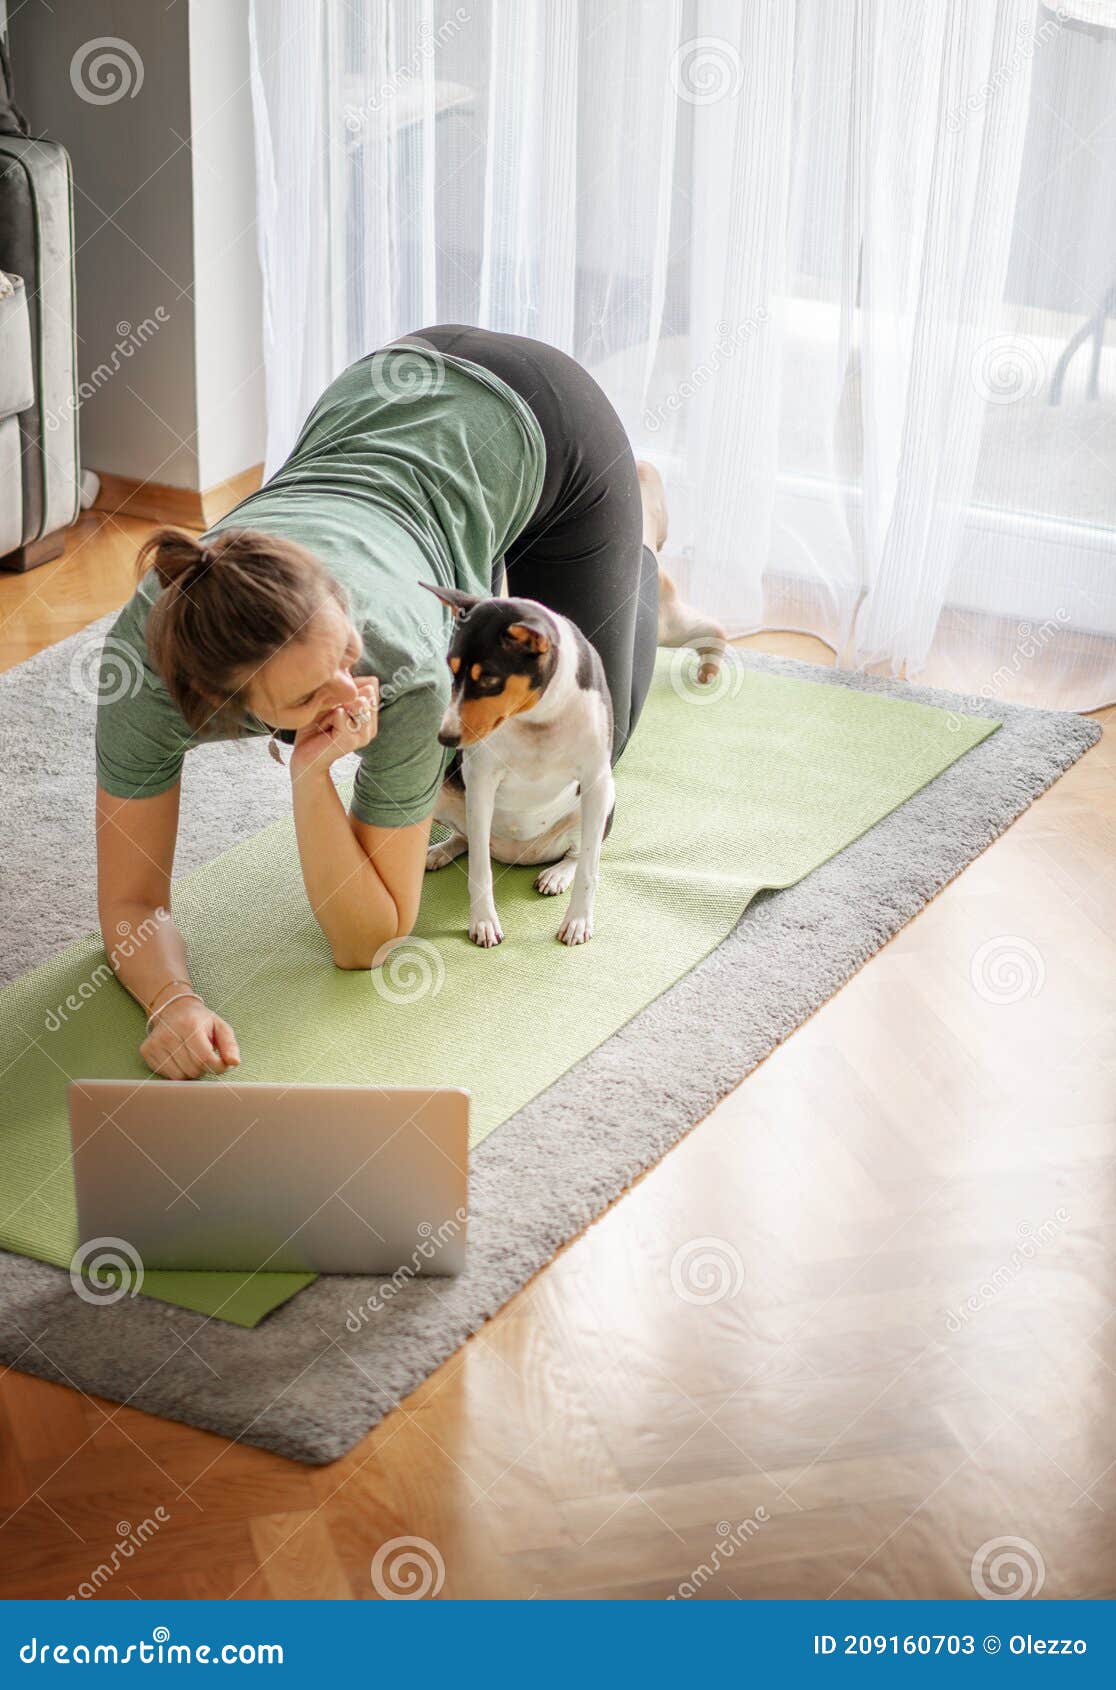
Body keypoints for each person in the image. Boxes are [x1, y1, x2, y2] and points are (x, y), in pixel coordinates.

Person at [94, 324, 724, 1079]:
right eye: (306, 696)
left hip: (546, 420)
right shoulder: (141, 669)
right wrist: (172, 1001)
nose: (353, 693)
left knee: (569, 747)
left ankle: (639, 538)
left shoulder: (403, 670)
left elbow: (369, 942)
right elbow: (131, 902)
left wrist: (308, 775)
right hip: (404, 404)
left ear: (340, 605)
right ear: (229, 704)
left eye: (347, 656)